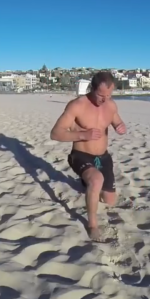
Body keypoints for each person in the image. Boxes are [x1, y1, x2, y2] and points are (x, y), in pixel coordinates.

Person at [49, 71, 127, 242]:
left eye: (109, 94)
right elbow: (55, 134)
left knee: (109, 200)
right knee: (96, 180)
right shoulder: (77, 105)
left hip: (103, 157)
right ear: (91, 89)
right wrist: (82, 135)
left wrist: (121, 127)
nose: (104, 99)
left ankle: (88, 184)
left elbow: (117, 122)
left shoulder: (111, 105)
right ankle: (92, 225)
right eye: (100, 95)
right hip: (81, 155)